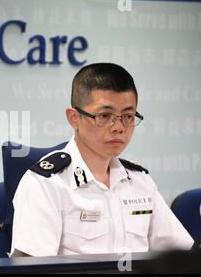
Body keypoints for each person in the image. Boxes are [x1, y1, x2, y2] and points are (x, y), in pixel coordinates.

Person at [10, 63, 194, 257]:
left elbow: (184, 256)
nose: (119, 127)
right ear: (74, 118)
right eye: (105, 116)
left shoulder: (140, 182)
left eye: (128, 116)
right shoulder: (46, 184)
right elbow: (33, 270)